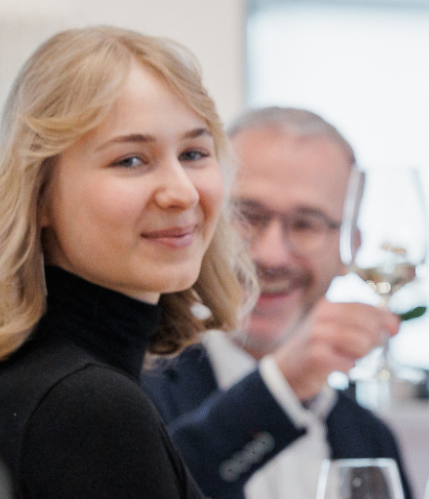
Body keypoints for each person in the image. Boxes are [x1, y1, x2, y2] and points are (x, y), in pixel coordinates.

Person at [0, 26, 251, 499]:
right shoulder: (87, 406)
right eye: (131, 161)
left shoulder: (51, 379)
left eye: (194, 153)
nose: (182, 191)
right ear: (39, 197)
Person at [142, 107, 406, 499]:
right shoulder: (140, 390)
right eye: (247, 216)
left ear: (350, 246)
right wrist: (280, 387)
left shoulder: (371, 439)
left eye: (306, 224)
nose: (271, 256)